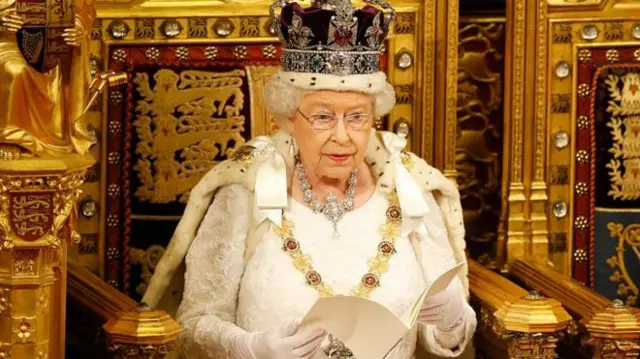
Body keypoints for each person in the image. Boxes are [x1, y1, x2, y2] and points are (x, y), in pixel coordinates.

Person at [141, 0, 477, 357]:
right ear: (287, 120)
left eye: (358, 117)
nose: (343, 136)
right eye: (322, 117)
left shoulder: (409, 190)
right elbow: (194, 323)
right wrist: (248, 348)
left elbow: (449, 331)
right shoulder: (245, 191)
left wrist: (452, 319)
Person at [0, 0, 95, 158]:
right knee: (16, 71)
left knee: (48, 69)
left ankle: (44, 137)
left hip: (50, 45)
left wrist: (77, 28)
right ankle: (11, 137)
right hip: (7, 41)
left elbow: (82, 10)